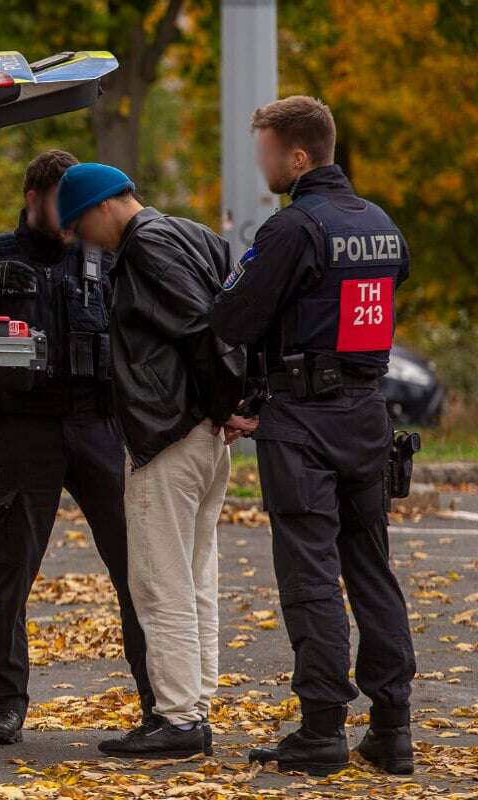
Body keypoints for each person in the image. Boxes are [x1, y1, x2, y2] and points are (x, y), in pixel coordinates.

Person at [208, 96, 416, 777]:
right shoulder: (380, 224)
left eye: (266, 151)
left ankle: (321, 728)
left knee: (310, 577)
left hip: (304, 421)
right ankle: (392, 728)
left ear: (298, 156)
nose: (261, 164)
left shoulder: (294, 229)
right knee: (371, 569)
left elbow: (233, 317)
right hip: (368, 413)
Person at [0, 150, 154, 745]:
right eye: (61, 202)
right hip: (23, 427)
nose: (72, 215)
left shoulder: (101, 250)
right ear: (32, 197)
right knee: (9, 572)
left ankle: (158, 702)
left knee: (136, 569)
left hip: (97, 424)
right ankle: (4, 705)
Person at [56, 163, 248, 759]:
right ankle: (196, 703)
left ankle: (179, 718)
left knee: (159, 580)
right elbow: (236, 316)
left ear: (102, 206)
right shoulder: (195, 234)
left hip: (168, 432)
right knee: (195, 575)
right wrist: (232, 405)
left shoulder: (147, 248)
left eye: (79, 224)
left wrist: (227, 401)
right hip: (204, 437)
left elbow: (199, 329)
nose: (83, 240)